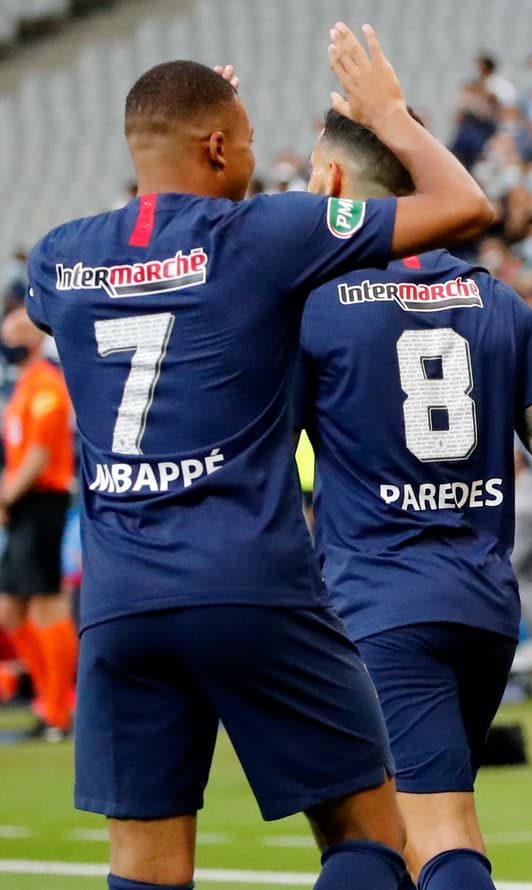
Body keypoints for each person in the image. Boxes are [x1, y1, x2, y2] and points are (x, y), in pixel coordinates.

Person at [24, 25, 494, 890]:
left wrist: (200, 131)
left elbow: (139, 258)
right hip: (249, 583)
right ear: (215, 147)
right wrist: (390, 114)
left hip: (120, 605)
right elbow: (464, 206)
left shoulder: (59, 256)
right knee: (370, 833)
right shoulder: (267, 233)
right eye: (243, 139)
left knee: (145, 866)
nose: (253, 154)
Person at [297, 108, 532, 890]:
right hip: (483, 611)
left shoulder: (318, 306)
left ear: (334, 181)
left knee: (412, 835)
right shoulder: (500, 302)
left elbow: (266, 463)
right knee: (402, 837)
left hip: (377, 606)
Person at [0, 308, 75, 740]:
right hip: (23, 504)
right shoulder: (24, 387)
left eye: (12, 334)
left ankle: (60, 710)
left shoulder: (46, 386)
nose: (7, 343)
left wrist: (7, 495)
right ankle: (48, 700)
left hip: (42, 501)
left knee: (47, 602)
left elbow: (39, 454)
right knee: (10, 610)